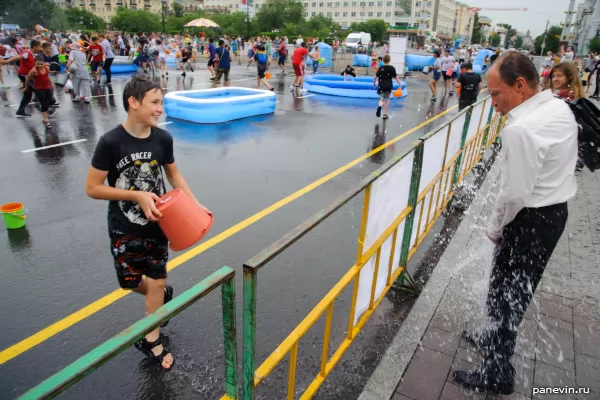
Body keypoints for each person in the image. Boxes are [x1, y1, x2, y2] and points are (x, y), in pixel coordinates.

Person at [454, 52, 577, 395]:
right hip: (553, 214)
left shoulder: (521, 128)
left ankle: (497, 372)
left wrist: (495, 229)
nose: (491, 102)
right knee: (513, 292)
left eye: (495, 93)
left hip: (529, 221)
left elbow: (513, 195)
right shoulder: (556, 106)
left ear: (520, 86)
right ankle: (493, 337)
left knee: (503, 296)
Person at [24, 55, 56, 129]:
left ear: (44, 63)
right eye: (38, 64)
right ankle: (46, 119)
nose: (40, 65)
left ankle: (45, 113)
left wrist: (52, 83)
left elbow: (47, 76)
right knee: (43, 103)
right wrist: (26, 87)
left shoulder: (46, 68)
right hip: (39, 89)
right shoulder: (34, 71)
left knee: (50, 100)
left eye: (41, 64)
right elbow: (28, 79)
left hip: (47, 87)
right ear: (35, 63)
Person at [373, 54, 401, 120]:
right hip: (388, 85)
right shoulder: (392, 68)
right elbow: (396, 77)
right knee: (387, 100)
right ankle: (385, 115)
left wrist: (374, 83)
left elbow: (375, 77)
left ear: (383, 60)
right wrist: (399, 84)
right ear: (389, 60)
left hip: (381, 85)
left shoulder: (381, 68)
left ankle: (379, 106)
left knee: (381, 99)